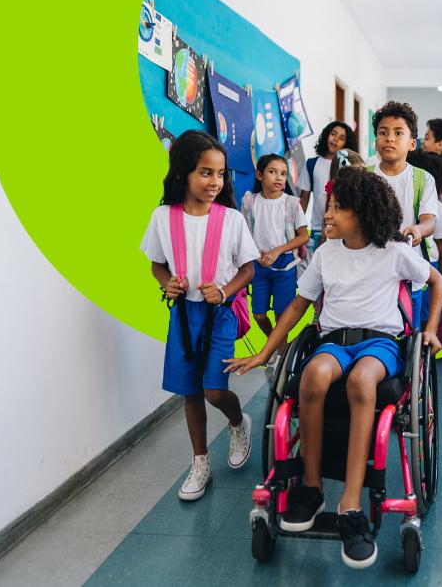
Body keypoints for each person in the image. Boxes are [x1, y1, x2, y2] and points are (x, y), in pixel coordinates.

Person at [225, 168, 442, 569]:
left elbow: (436, 281)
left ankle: (351, 503)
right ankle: (311, 488)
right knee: (312, 375)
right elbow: (297, 306)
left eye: (339, 209)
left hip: (380, 342)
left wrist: (430, 330)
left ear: (363, 213)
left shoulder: (394, 251)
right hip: (333, 340)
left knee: (363, 383)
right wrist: (264, 354)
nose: (329, 215)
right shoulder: (326, 253)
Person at [140, 130, 259, 501]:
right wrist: (167, 284)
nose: (215, 182)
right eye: (206, 173)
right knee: (189, 392)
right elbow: (157, 264)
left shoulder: (231, 219)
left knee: (213, 390)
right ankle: (200, 461)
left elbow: (248, 269)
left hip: (219, 313)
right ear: (183, 173)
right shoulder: (163, 217)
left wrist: (224, 290)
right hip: (183, 316)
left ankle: (239, 422)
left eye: (220, 174)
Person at [368, 101, 437, 328]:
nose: (390, 138)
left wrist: (418, 229)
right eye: (383, 132)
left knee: (408, 331)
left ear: (412, 143)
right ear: (376, 141)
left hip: (408, 272)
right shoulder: (364, 176)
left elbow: (429, 221)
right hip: (368, 270)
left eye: (398, 133)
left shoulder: (422, 179)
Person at [241, 154, 308, 369]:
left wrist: (278, 250)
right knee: (259, 314)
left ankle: (281, 357)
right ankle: (273, 345)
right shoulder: (250, 202)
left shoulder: (292, 203)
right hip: (258, 266)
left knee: (282, 315)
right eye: (272, 172)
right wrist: (254, 253)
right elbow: (243, 233)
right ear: (260, 175)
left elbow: (303, 236)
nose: (279, 177)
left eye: (283, 173)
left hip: (285, 266)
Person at [407, 149, 442, 325]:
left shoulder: (437, 208)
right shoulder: (439, 207)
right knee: (421, 315)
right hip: (428, 262)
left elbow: (439, 243)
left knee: (416, 313)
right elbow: (440, 245)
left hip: (426, 263)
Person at [298, 121, 357, 251]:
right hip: (317, 228)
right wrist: (298, 227)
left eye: (342, 138)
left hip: (342, 228)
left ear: (346, 144)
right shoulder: (311, 164)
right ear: (326, 136)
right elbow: (304, 200)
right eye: (333, 134)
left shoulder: (348, 166)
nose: (335, 139)